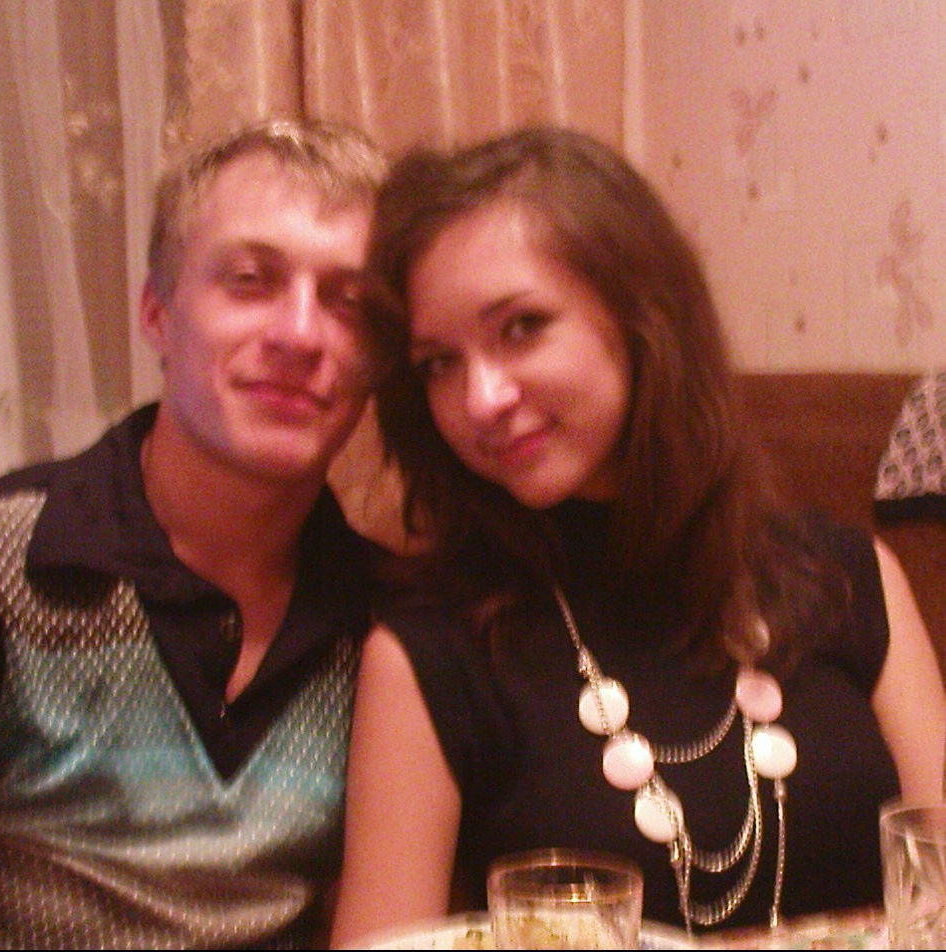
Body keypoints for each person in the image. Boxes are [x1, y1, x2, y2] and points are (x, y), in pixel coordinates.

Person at [329, 126, 946, 945]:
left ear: (643, 316)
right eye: (438, 362)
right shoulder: (429, 652)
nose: (479, 400)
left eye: (520, 327)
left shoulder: (846, 575)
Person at [0, 117, 396, 949]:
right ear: (157, 314)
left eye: (349, 302)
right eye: (250, 280)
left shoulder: (390, 614)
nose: (300, 334)